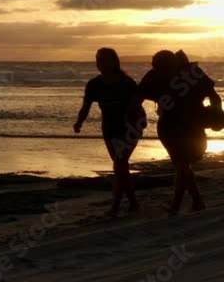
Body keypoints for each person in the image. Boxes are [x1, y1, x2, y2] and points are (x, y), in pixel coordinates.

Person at [136, 50, 222, 214]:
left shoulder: (191, 74)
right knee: (181, 164)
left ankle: (184, 204)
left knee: (182, 165)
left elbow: (214, 96)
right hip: (168, 126)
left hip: (193, 125)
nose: (159, 71)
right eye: (156, 67)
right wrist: (137, 116)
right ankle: (190, 203)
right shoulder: (154, 74)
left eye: (162, 68)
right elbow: (137, 98)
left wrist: (217, 116)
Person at [74, 48, 144, 216]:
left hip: (130, 127)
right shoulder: (94, 84)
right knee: (120, 166)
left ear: (114, 62)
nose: (101, 64)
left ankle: (116, 206)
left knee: (119, 164)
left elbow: (138, 104)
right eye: (98, 60)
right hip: (109, 128)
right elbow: (86, 107)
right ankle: (133, 204)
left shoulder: (126, 83)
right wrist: (79, 122)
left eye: (105, 60)